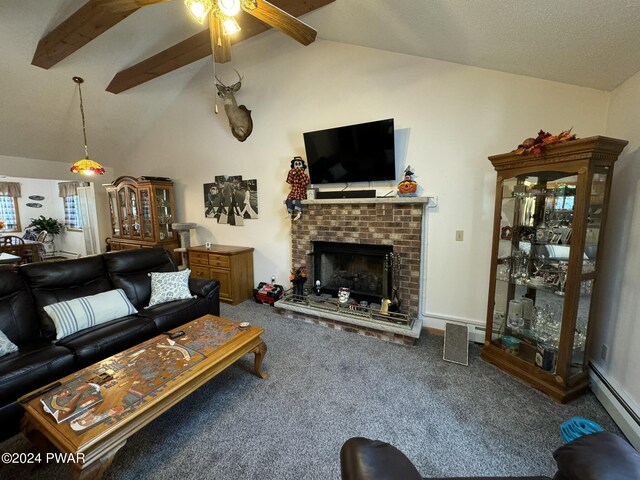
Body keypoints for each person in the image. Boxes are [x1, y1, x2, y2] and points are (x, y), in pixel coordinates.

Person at [285, 156, 310, 220]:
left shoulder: (304, 174)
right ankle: (289, 212)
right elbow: (289, 181)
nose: (297, 166)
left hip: (301, 191)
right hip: (294, 190)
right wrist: (291, 172)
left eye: (299, 164)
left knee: (297, 199)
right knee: (288, 199)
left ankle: (299, 212)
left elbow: (305, 183)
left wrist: (299, 171)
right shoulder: (292, 173)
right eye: (296, 164)